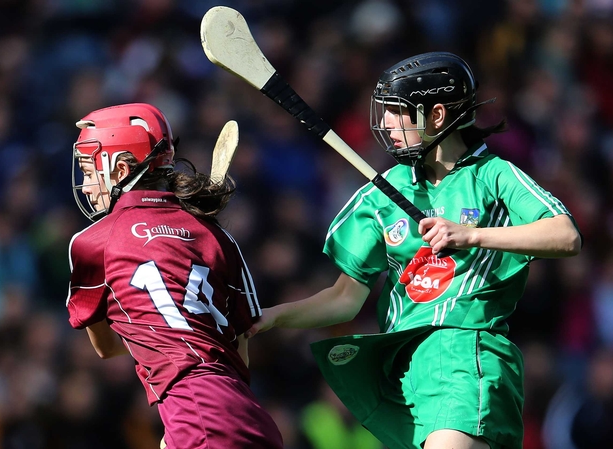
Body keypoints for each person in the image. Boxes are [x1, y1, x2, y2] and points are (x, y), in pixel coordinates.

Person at [246, 52, 582, 449]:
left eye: (395, 111)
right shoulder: (384, 191)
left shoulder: (493, 175)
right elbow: (344, 299)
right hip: (403, 374)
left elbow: (565, 236)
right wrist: (271, 318)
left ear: (437, 116)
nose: (385, 123)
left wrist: (472, 235)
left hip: (464, 355)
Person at [65, 103, 283, 448]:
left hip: (200, 417)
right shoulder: (216, 236)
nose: (88, 186)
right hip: (248, 416)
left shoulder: (92, 242)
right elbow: (239, 349)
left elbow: (105, 348)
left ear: (120, 169)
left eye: (91, 171)